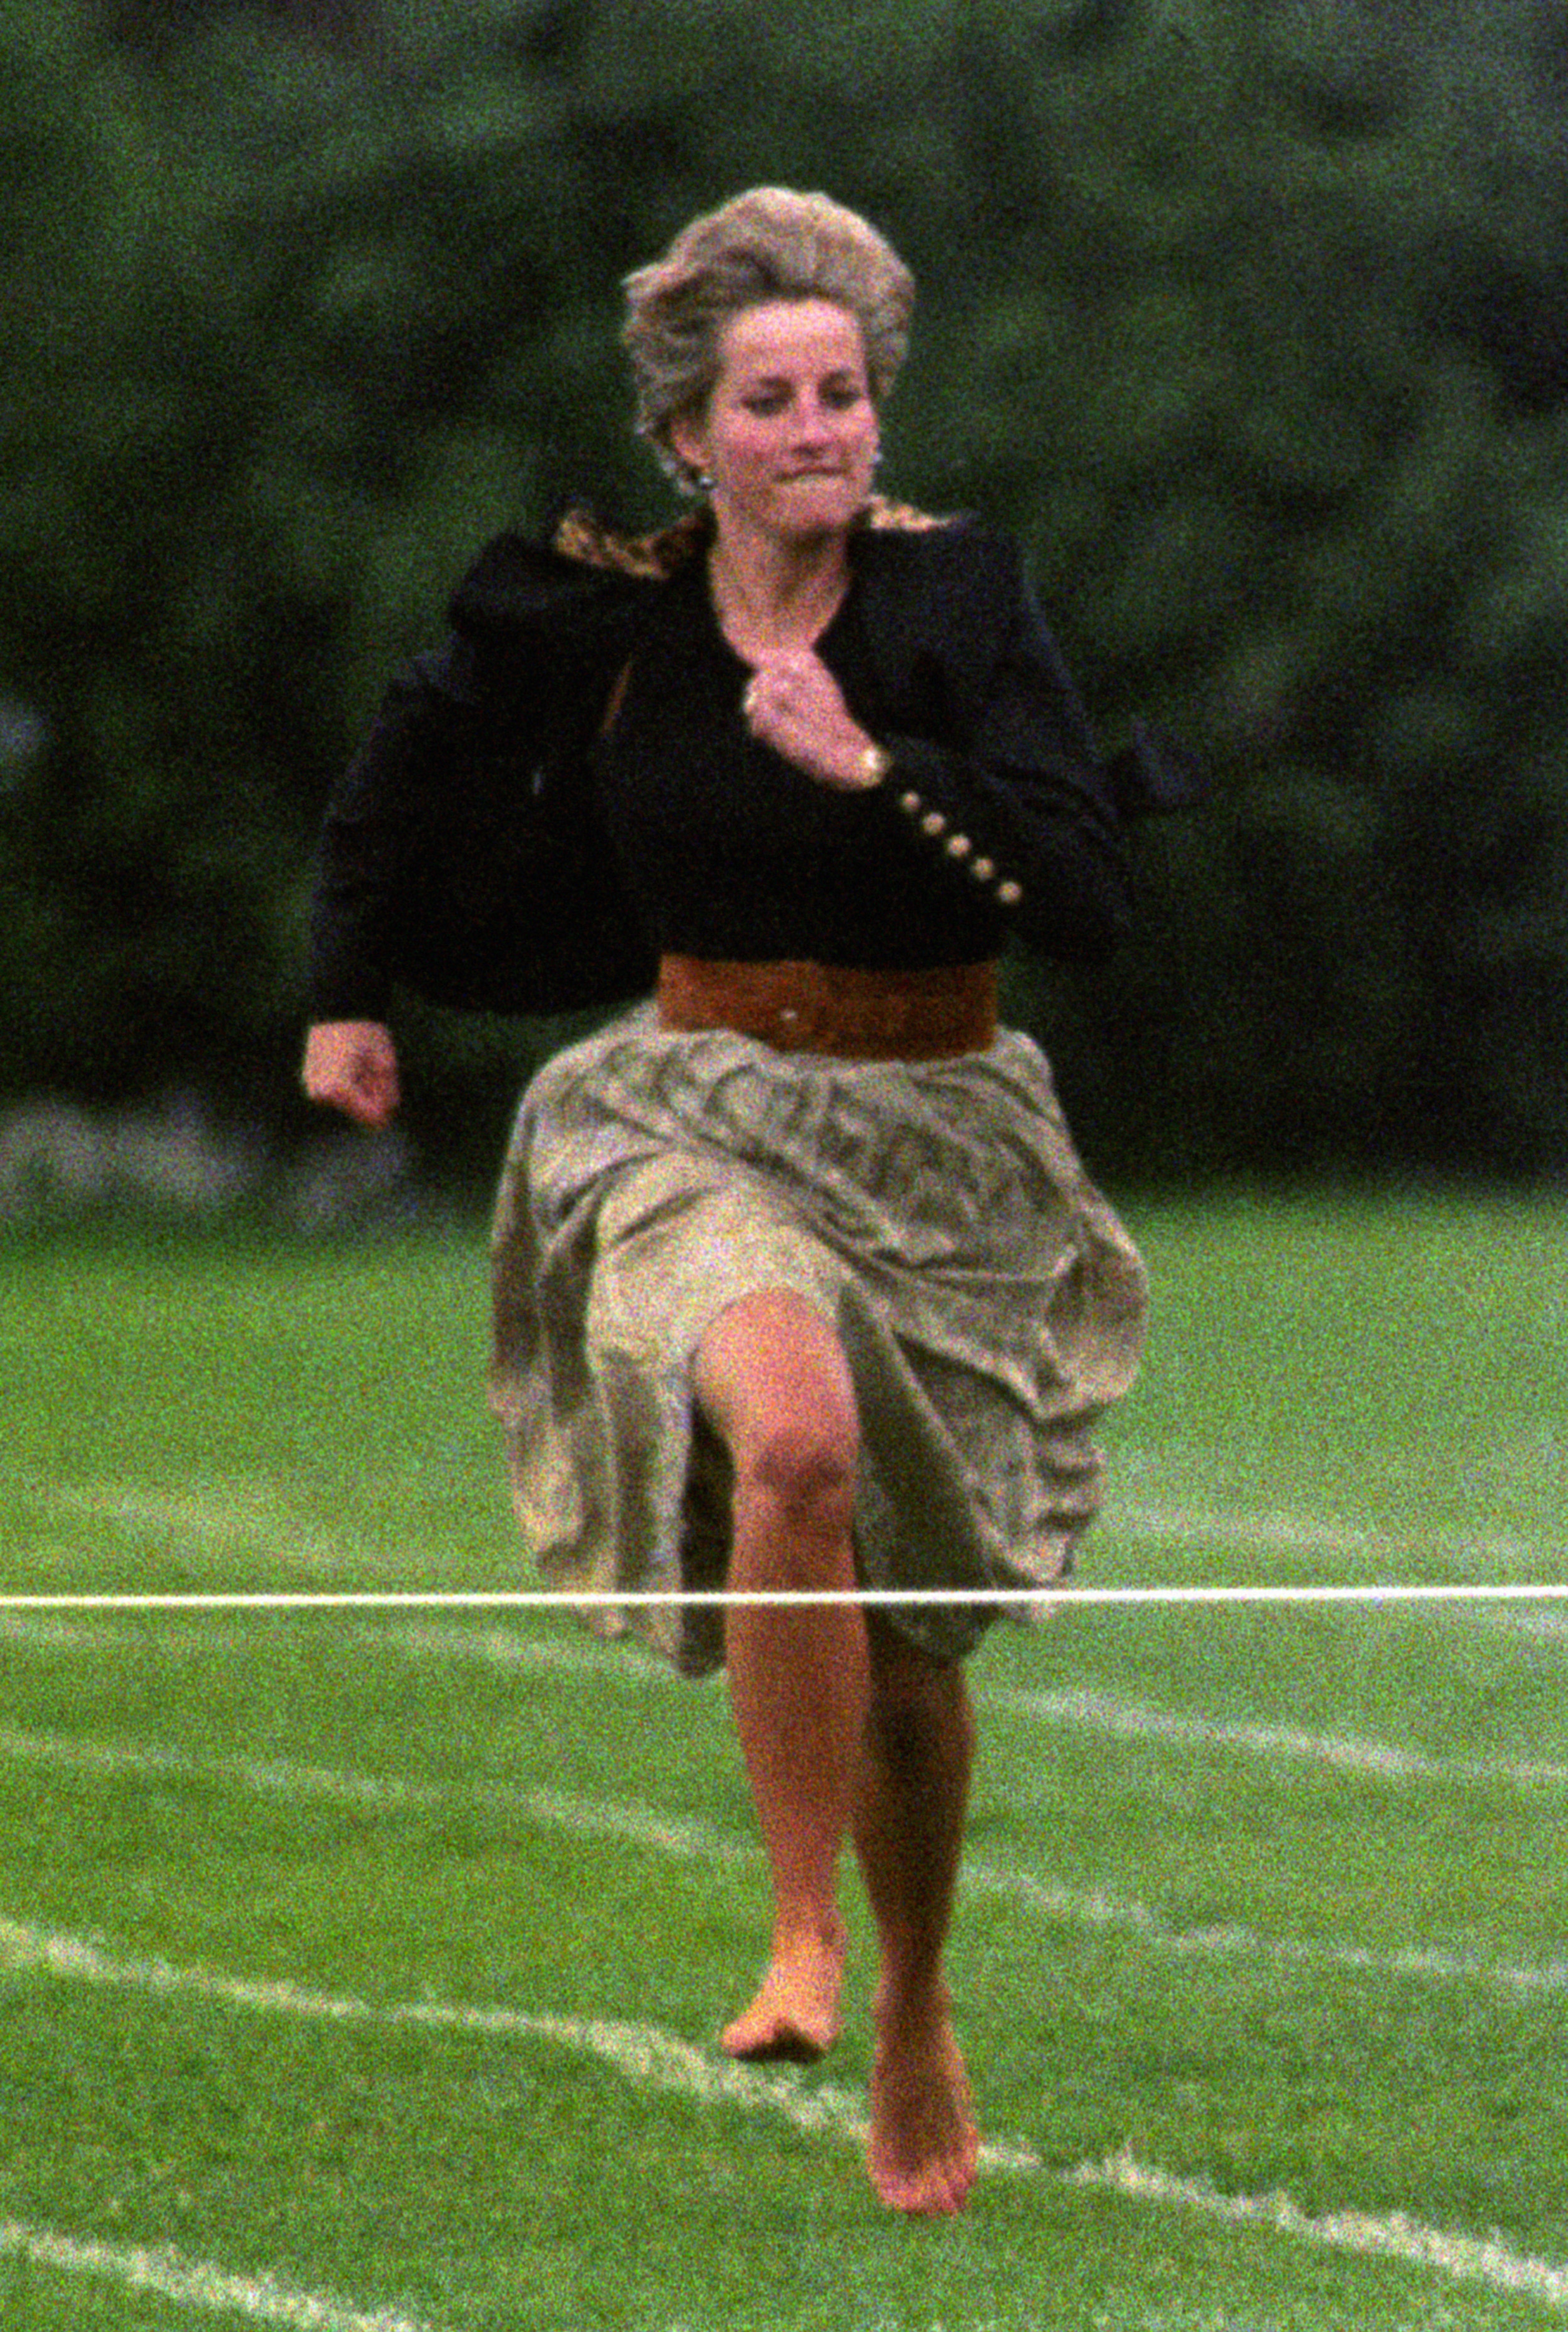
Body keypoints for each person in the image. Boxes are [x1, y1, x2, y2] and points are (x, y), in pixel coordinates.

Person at [304, 186, 1177, 2217]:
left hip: (940, 1131)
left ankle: (912, 2005)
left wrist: (878, 767)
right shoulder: (600, 611)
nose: (818, 431)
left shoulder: (958, 605)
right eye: (771, 401)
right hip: (685, 1110)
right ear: (691, 436)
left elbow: (1091, 891)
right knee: (788, 1434)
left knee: (913, 1648)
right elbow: (406, 767)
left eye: (845, 395)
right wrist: (349, 990)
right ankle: (798, 1931)